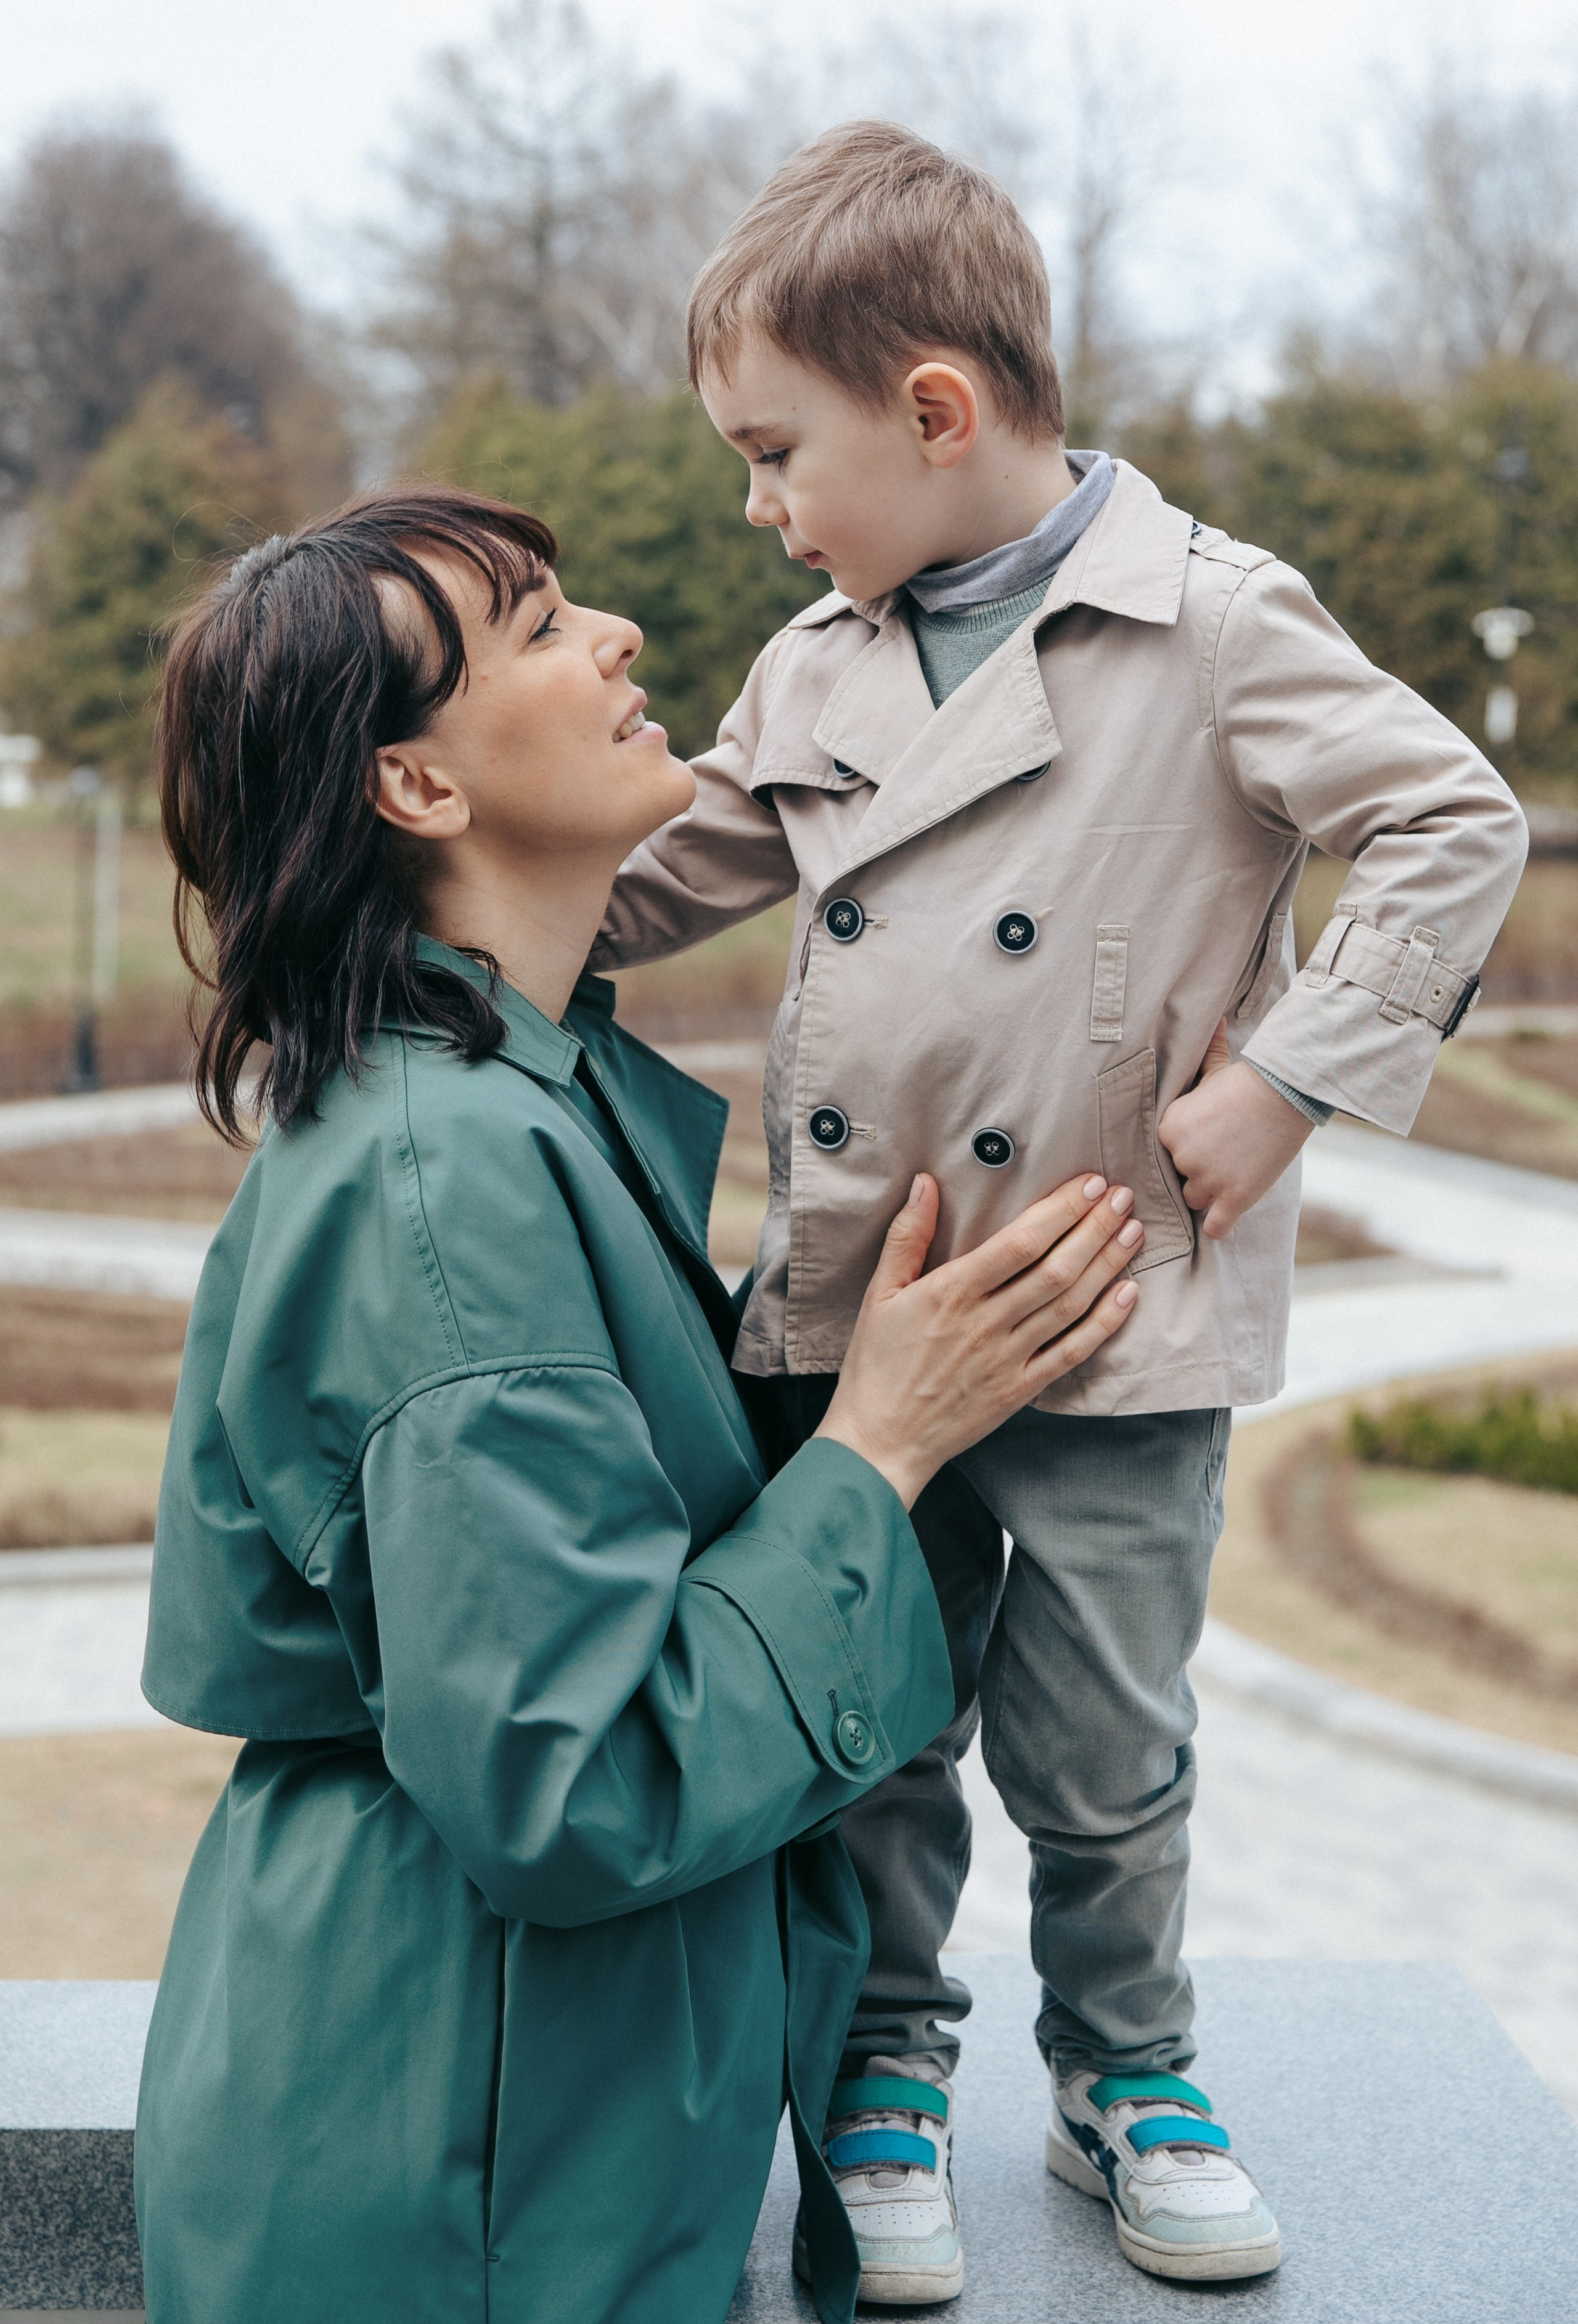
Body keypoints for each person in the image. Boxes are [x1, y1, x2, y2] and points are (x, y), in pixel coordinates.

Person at [592, 122, 1531, 2297]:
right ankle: (889, 2067)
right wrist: (435, 904)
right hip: (866, 1311)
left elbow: (1449, 818)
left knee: (1105, 1749)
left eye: (773, 452)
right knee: (883, 1726)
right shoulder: (818, 663)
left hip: (1118, 1307)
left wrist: (1290, 1080)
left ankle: (1129, 2069)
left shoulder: (1208, 618)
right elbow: (658, 878)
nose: (760, 507)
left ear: (934, 410)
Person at [133, 484, 1145, 2324]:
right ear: (418, 790)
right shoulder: (445, 1186)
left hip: (516, 2120)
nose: (615, 640)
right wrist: (879, 1449)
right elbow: (569, 1775)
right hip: (460, 2182)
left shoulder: (517, 1100)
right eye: (533, 628)